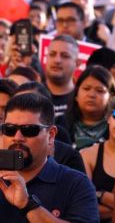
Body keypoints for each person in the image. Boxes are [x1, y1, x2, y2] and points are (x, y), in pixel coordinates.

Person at [0, 93, 99, 222]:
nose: (17, 137)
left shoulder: (76, 184)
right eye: (10, 129)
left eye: (29, 130)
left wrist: (28, 204)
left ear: (51, 135)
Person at [63, 65, 115, 150]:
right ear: (76, 94)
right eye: (86, 88)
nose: (91, 95)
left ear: (111, 97)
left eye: (100, 90)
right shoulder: (60, 124)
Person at [44, 35, 80, 118]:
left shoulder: (83, 100)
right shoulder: (32, 94)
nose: (57, 60)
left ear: (77, 63)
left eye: (65, 56)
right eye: (52, 54)